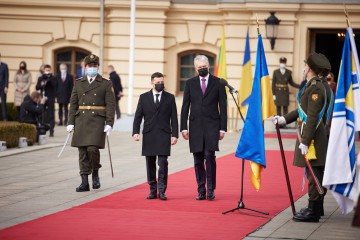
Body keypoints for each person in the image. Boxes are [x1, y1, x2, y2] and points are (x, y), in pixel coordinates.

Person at [273, 52, 329, 222]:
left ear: (310, 69)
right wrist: (284, 118)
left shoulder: (316, 88)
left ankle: (313, 211)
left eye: (306, 66)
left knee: (313, 173)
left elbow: (312, 117)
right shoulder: (314, 85)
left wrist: (305, 141)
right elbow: (301, 110)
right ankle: (317, 208)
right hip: (312, 135)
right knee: (315, 172)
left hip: (313, 138)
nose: (304, 68)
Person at [180, 55, 227, 201]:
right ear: (195, 68)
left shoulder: (218, 83)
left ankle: (211, 189)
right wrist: (183, 127)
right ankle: (201, 190)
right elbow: (185, 106)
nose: (202, 69)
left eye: (204, 67)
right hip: (195, 127)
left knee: (209, 156)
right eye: (199, 67)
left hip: (212, 126)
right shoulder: (190, 83)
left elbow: (223, 107)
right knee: (198, 159)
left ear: (208, 66)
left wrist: (222, 128)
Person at [67, 54, 115, 192]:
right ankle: (84, 181)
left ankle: (95, 174)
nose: (92, 68)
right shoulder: (79, 82)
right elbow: (73, 103)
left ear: (98, 67)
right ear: (85, 67)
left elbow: (110, 104)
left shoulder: (106, 83)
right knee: (82, 151)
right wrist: (70, 122)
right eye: (90, 66)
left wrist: (110, 123)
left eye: (95, 66)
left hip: (97, 121)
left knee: (92, 149)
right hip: (81, 120)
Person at [133, 72, 179, 200]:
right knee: (150, 163)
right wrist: (135, 132)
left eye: (162, 82)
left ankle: (162, 190)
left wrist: (175, 134)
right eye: (157, 83)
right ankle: (152, 190)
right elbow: (138, 116)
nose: (160, 85)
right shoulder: (144, 97)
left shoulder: (170, 97)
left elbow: (174, 118)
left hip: (164, 134)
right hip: (149, 134)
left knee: (163, 162)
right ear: (152, 83)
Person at [36, 64, 57, 137]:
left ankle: (51, 130)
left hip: (50, 98)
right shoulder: (40, 78)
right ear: (43, 70)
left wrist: (49, 79)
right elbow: (37, 87)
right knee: (41, 114)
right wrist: (41, 84)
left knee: (51, 115)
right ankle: (42, 129)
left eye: (48, 70)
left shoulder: (53, 78)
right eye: (46, 70)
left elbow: (55, 86)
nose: (47, 72)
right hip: (42, 98)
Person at [0, 53, 9, 121]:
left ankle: (5, 118)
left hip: (3, 87)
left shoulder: (4, 66)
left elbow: (6, 77)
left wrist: (6, 86)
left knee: (3, 103)